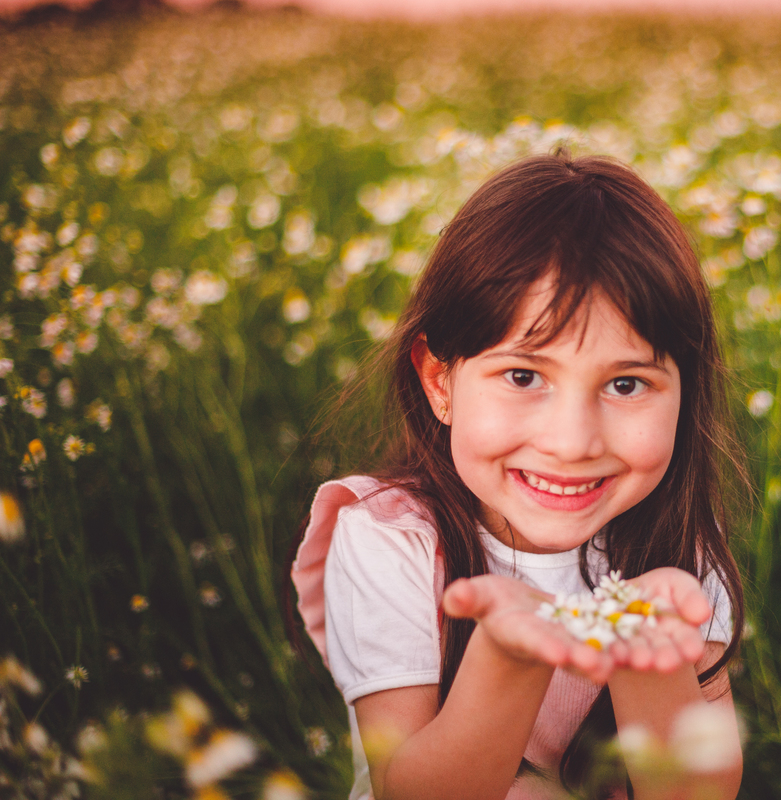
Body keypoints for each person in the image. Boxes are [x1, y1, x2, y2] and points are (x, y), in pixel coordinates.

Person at [290, 150, 746, 800]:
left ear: (685, 393)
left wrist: (651, 656)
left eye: (625, 384)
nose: (572, 442)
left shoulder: (677, 549)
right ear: (439, 381)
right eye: (524, 376)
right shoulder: (392, 541)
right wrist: (509, 656)